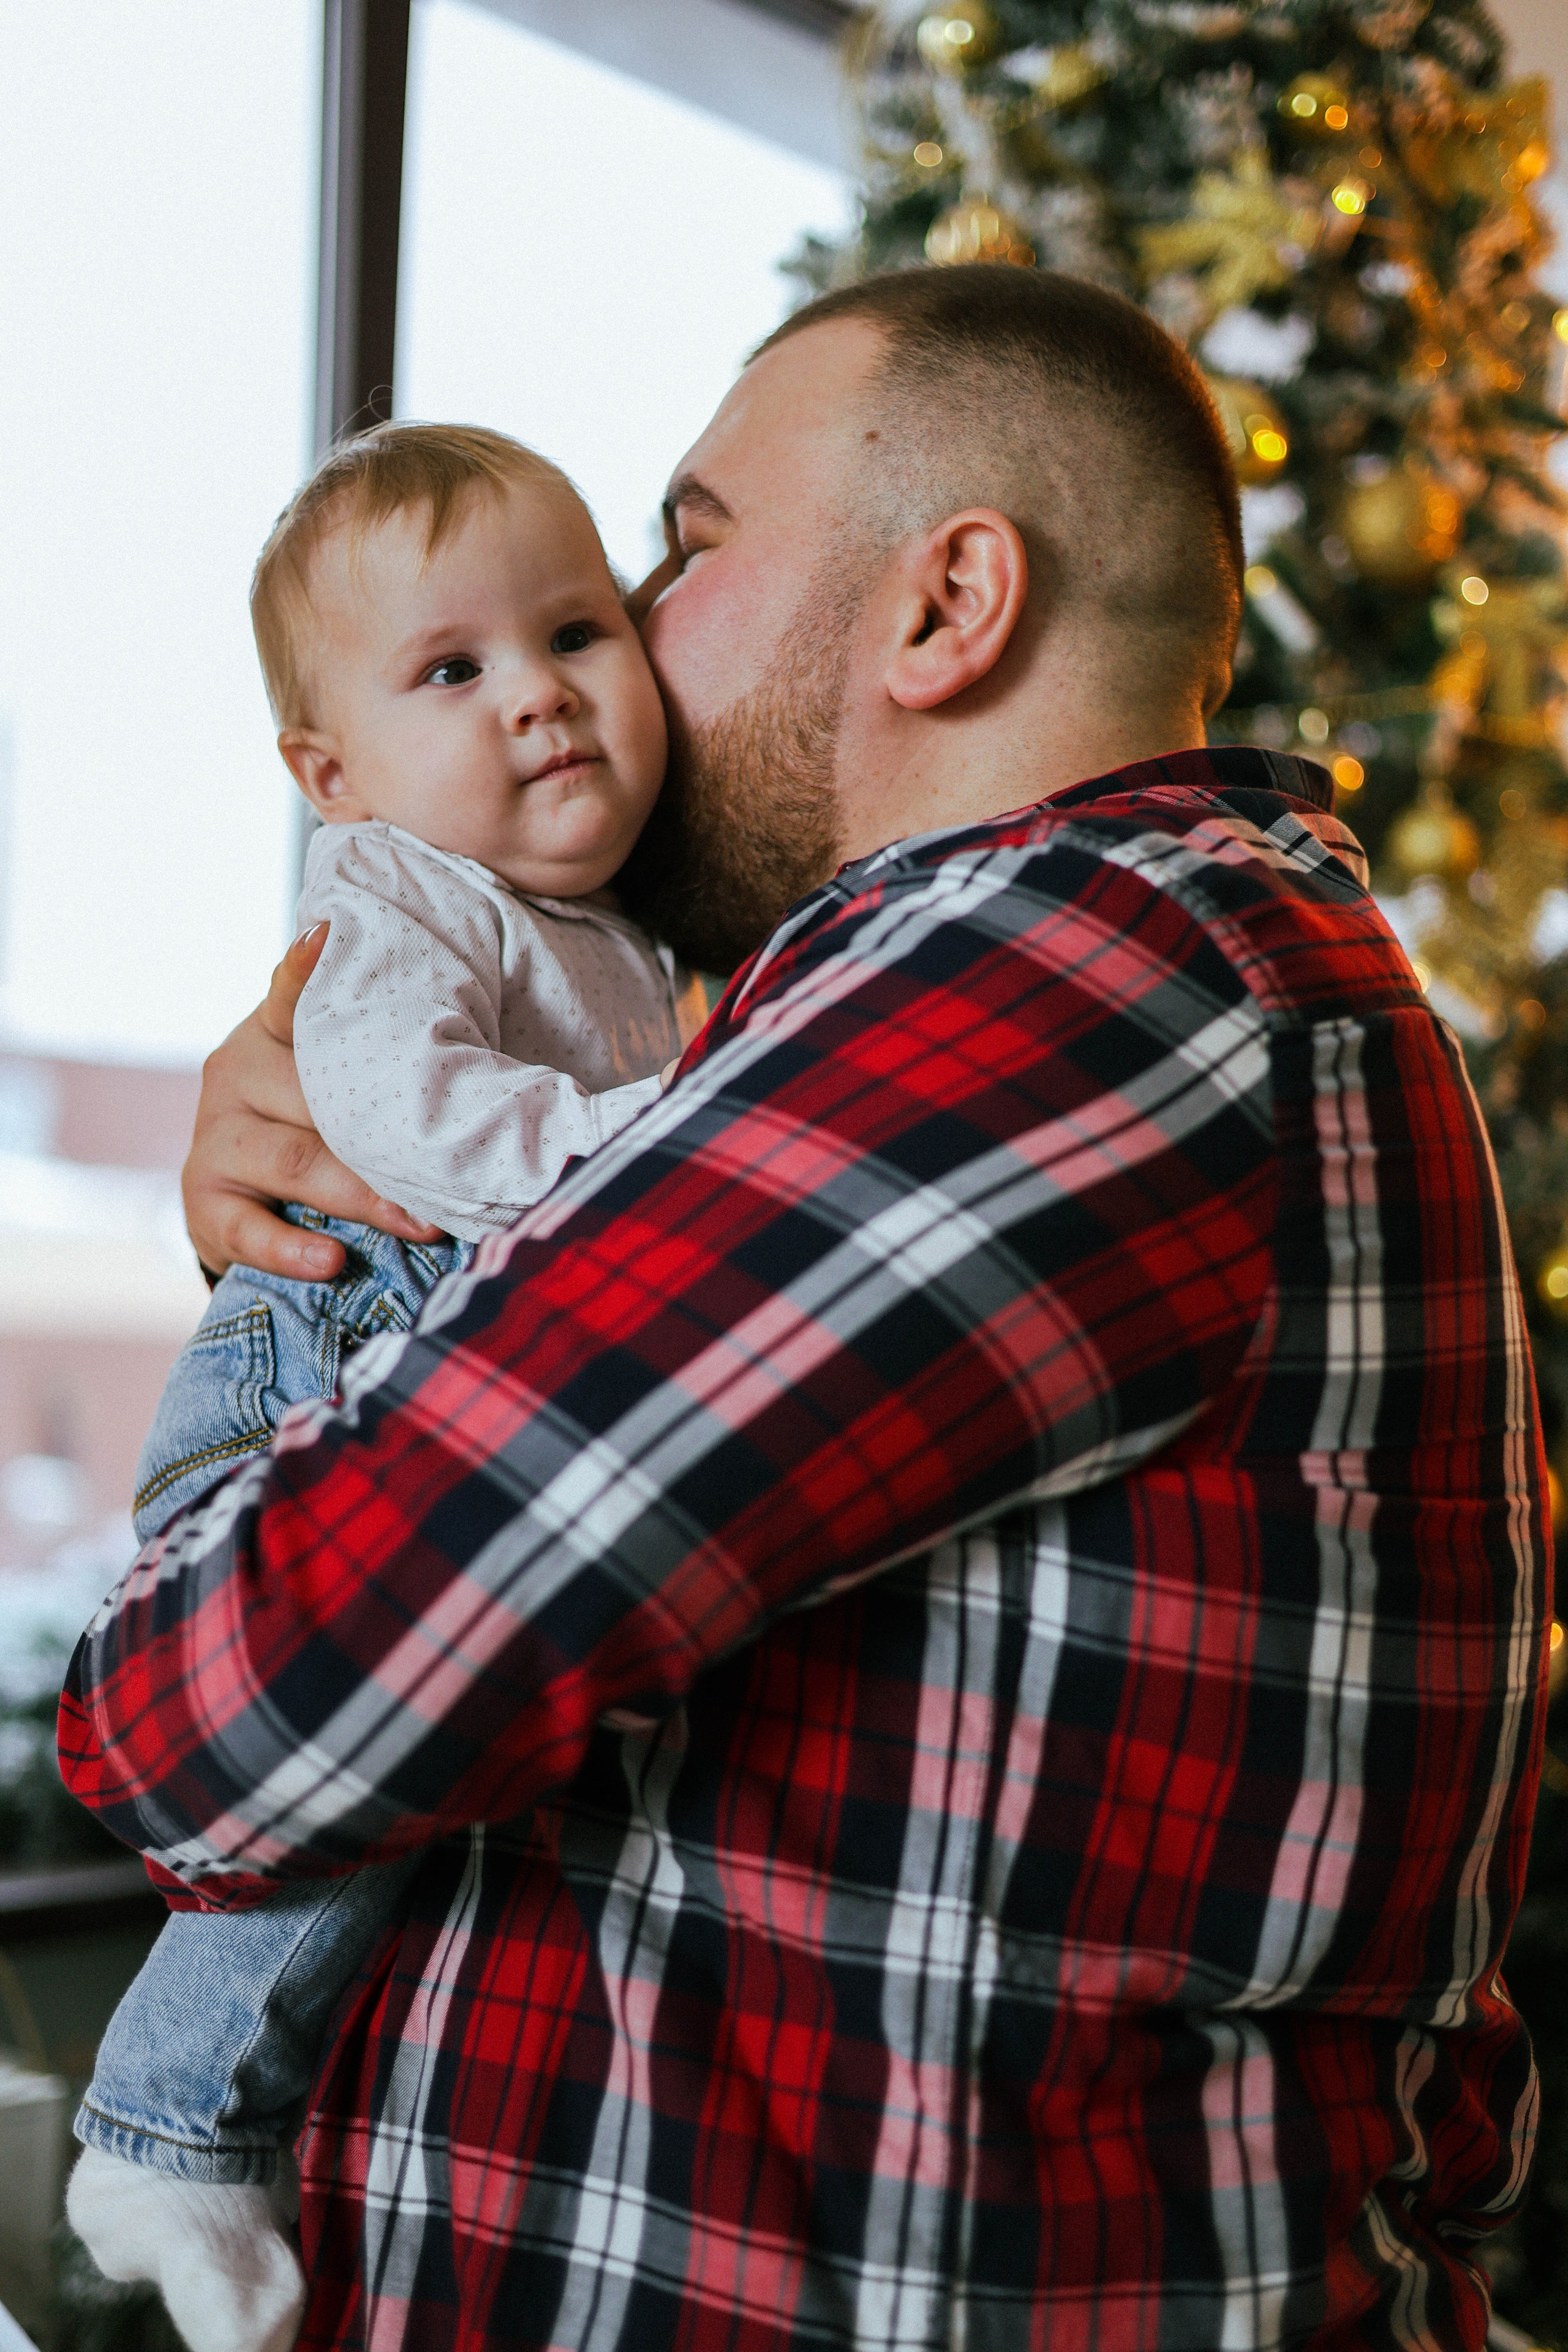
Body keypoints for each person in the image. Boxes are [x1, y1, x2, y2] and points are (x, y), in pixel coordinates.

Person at [61, 266, 1549, 2352]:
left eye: (683, 551)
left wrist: (320, 1356)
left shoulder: (1064, 980)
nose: (626, 643)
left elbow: (223, 1709)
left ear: (950, 606)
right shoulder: (1004, 988)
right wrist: (333, 1245)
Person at [67, 422, 701, 2352]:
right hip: (311, 1354)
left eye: (578, 631)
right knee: (363, 1761)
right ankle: (166, 2128)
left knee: (419, 1768)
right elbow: (405, 1117)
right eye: (455, 670)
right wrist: (670, 1129)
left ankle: (194, 2128)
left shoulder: (627, 926)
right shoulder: (395, 900)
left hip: (400, 1349)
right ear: (331, 775)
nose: (540, 696)